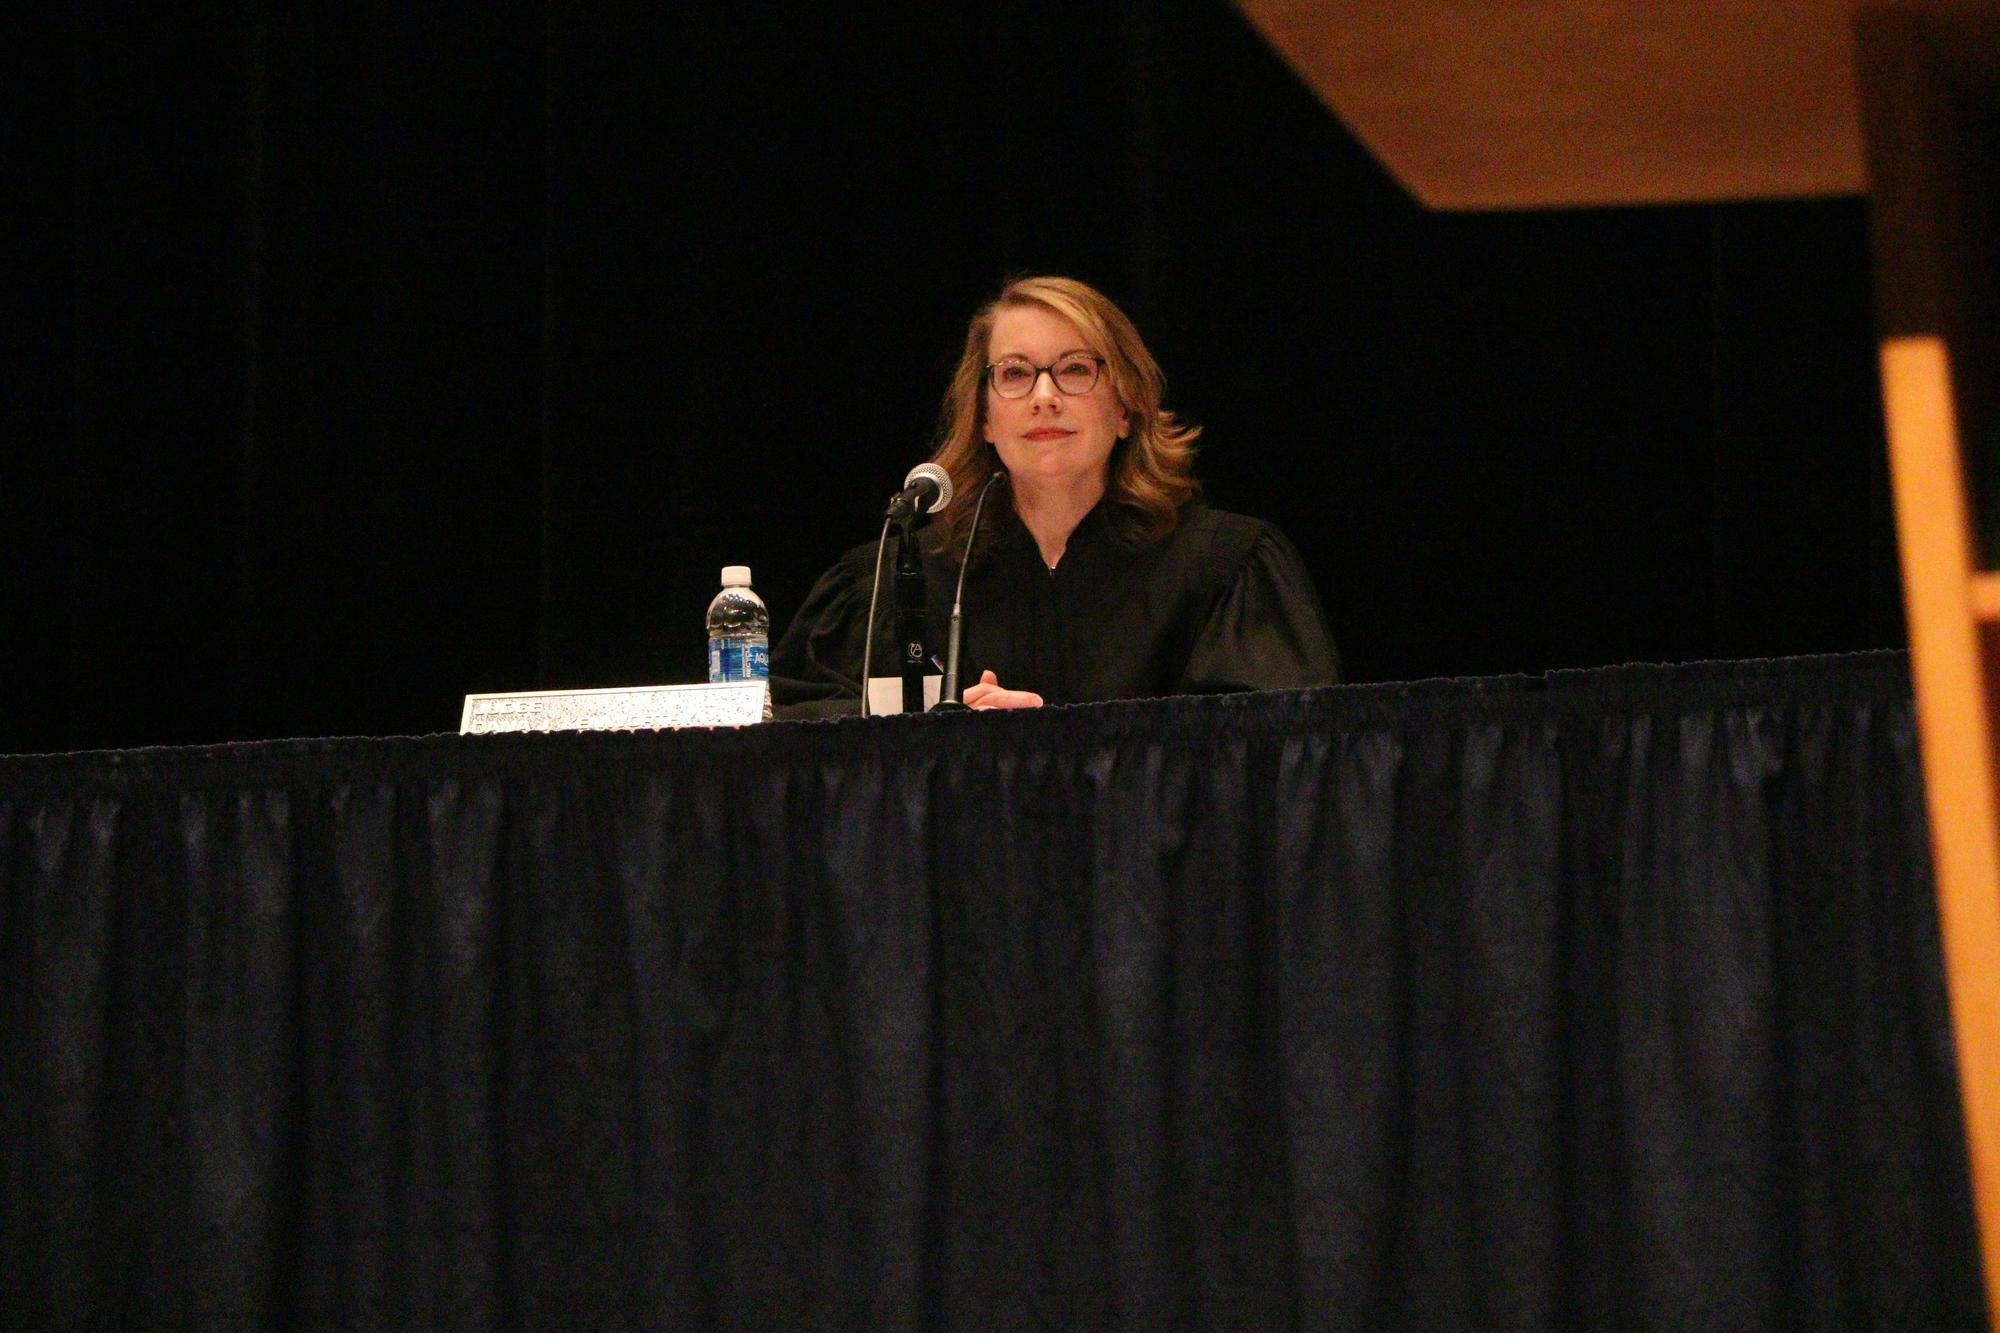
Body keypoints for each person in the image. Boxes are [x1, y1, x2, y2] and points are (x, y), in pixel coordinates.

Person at [770, 275, 1338, 713]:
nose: (1044, 397)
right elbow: (802, 748)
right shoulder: (899, 581)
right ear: (986, 418)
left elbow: (1267, 768)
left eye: (1074, 369)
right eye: (1015, 374)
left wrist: (1053, 741)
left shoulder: (1221, 570)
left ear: (1125, 407)